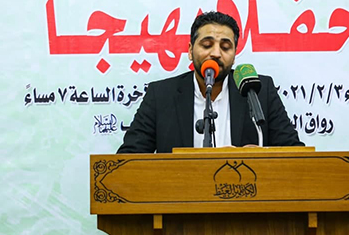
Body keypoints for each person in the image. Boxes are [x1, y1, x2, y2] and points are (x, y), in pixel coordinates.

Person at [117, 11, 303, 153]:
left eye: (225, 47)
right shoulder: (161, 95)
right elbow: (128, 158)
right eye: (207, 45)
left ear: (234, 55)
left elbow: (295, 153)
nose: (215, 53)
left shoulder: (258, 90)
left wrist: (262, 156)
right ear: (190, 51)